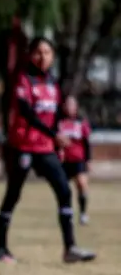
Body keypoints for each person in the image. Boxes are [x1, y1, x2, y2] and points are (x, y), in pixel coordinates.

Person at [0, 37, 95, 264]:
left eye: (47, 52)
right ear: (30, 54)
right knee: (13, 195)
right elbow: (27, 112)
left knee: (65, 191)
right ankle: (0, 249)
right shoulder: (23, 79)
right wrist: (53, 136)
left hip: (45, 148)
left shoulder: (52, 82)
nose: (43, 57)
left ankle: (70, 248)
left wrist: (56, 143)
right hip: (24, 147)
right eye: (38, 52)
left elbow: (55, 116)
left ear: (53, 56)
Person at [58, 95, 91, 225]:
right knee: (63, 189)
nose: (69, 107)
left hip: (78, 160)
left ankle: (83, 213)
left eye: (72, 104)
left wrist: (88, 160)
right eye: (67, 104)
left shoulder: (81, 122)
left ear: (76, 107)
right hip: (63, 161)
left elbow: (87, 142)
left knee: (82, 185)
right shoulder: (59, 122)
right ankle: (67, 212)